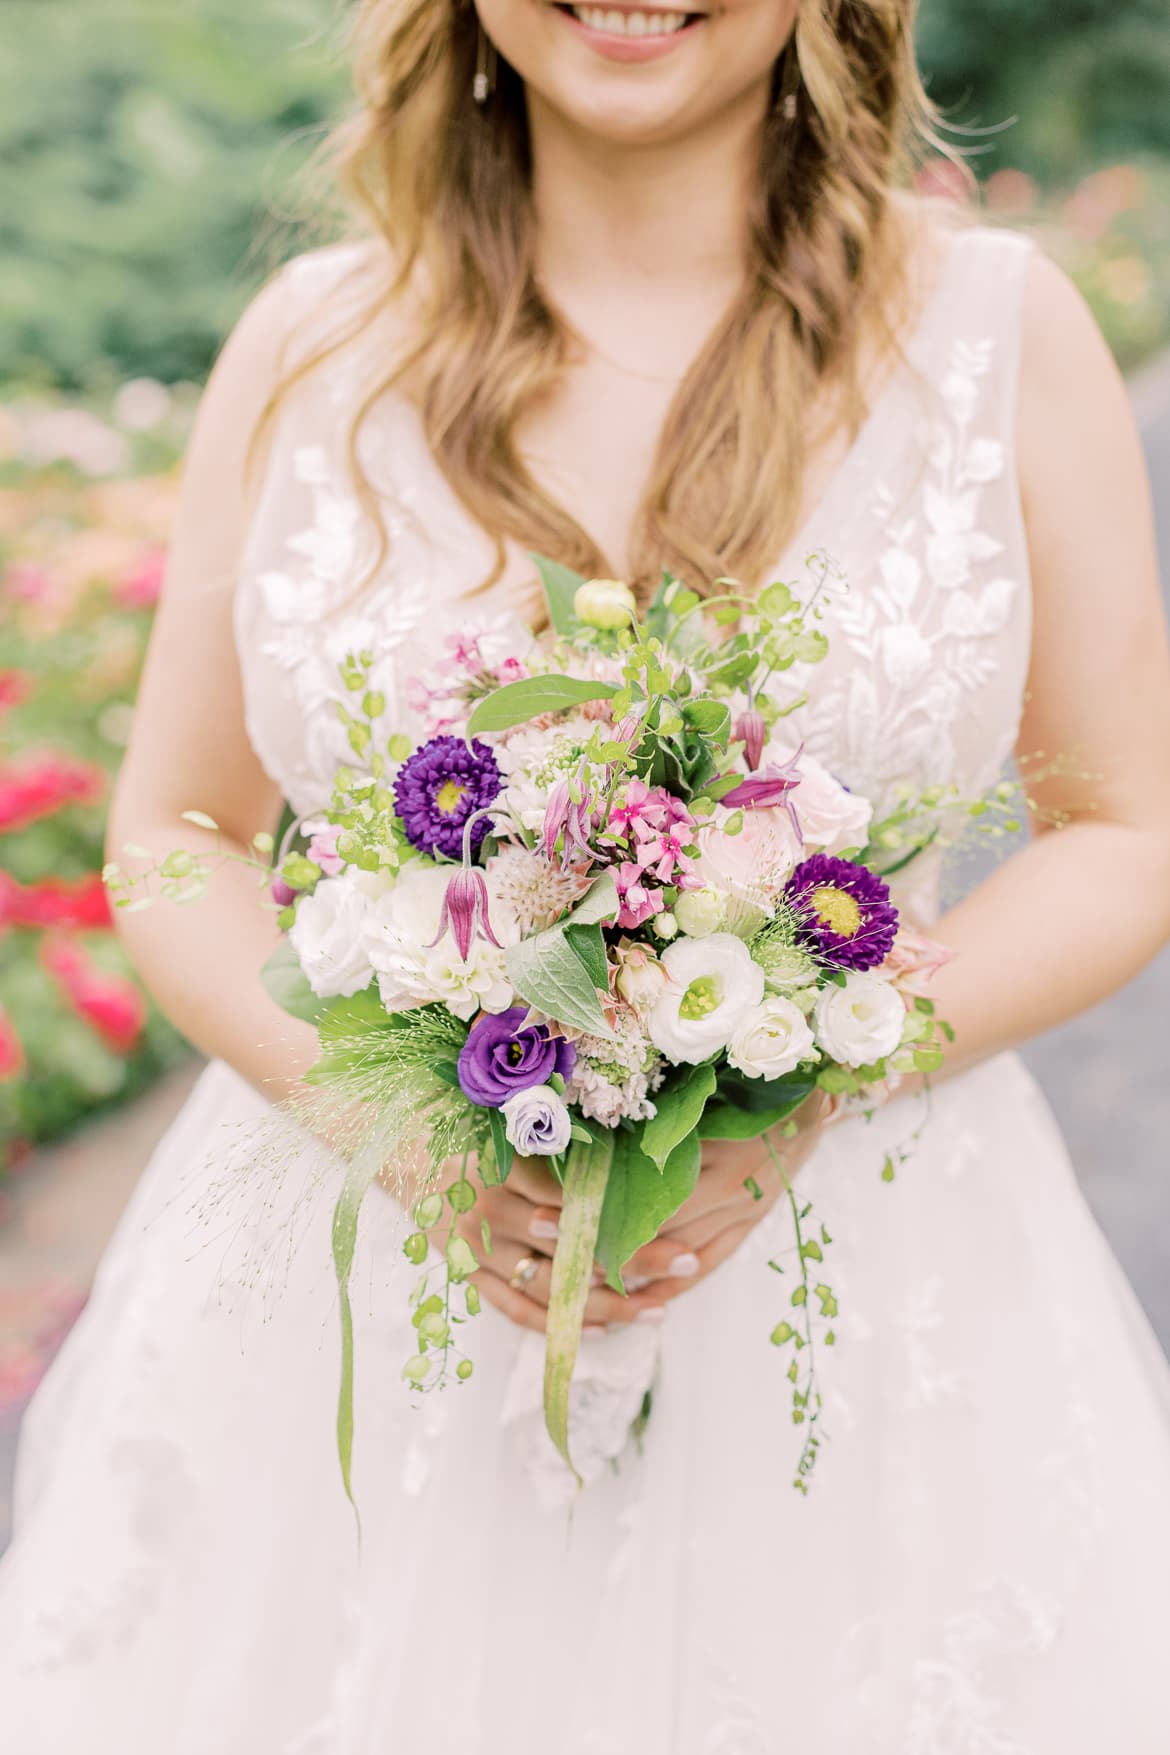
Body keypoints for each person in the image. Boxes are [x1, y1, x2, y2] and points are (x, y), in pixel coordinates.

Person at [3, 1, 1170, 1748]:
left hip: (859, 1289)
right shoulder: (313, 346)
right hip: (359, 1288)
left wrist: (806, 1092)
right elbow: (172, 842)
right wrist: (392, 1125)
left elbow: (1123, 831)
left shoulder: (1000, 335)